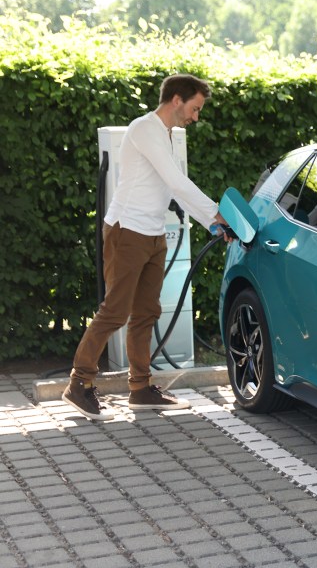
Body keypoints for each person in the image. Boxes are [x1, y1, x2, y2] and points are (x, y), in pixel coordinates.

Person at [62, 74, 233, 421]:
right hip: (127, 231)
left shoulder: (167, 135)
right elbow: (175, 181)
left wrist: (212, 222)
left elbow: (169, 187)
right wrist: (216, 213)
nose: (196, 117)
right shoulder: (143, 129)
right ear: (176, 100)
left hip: (153, 234)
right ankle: (79, 384)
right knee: (115, 311)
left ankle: (140, 389)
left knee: (146, 313)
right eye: (195, 108)